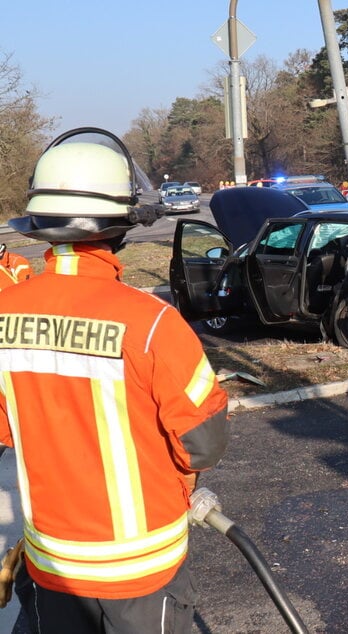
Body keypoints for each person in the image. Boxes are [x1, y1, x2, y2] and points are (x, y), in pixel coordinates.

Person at [0, 128, 229, 634]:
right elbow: (202, 444)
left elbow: (5, 430)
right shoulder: (151, 323)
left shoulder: (4, 313)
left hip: (54, 564)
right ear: (120, 225)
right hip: (142, 567)